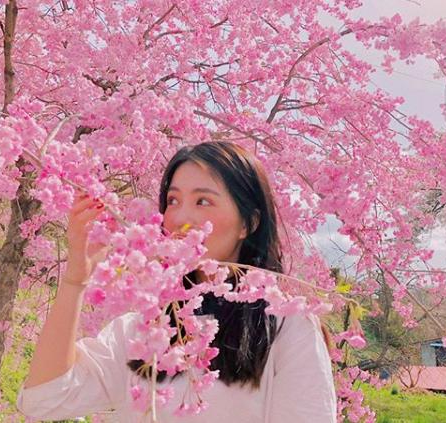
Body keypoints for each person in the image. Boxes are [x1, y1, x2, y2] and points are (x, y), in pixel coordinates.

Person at [17, 141, 337, 422]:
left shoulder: (286, 328)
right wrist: (76, 280)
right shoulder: (143, 330)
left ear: (248, 223)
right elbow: (44, 398)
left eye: (203, 201)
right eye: (173, 201)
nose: (180, 218)